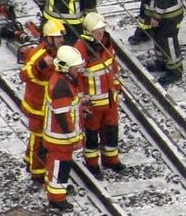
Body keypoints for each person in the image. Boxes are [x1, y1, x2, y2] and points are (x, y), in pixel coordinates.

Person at [74, 12, 125, 179]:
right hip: (93, 104)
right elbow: (76, 77)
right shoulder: (81, 49)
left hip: (110, 100)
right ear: (89, 32)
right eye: (98, 31)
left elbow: (113, 67)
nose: (101, 34)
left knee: (111, 131)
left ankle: (111, 159)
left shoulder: (107, 44)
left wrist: (118, 87)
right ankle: (92, 164)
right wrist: (82, 99)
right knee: (91, 135)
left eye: (102, 30)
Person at [19, 19, 65, 184]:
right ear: (49, 38)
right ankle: (37, 173)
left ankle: (29, 159)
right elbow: (24, 75)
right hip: (37, 105)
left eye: (61, 37)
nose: (61, 40)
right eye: (57, 37)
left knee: (39, 137)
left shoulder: (60, 52)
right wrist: (41, 66)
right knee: (38, 138)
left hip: (48, 104)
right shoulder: (38, 54)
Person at [42, 45, 85, 212]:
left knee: (56, 165)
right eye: (76, 67)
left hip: (57, 136)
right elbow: (63, 117)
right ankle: (57, 198)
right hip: (60, 138)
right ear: (66, 67)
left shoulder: (62, 80)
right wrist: (74, 138)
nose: (78, 70)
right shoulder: (62, 86)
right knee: (60, 166)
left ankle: (55, 189)